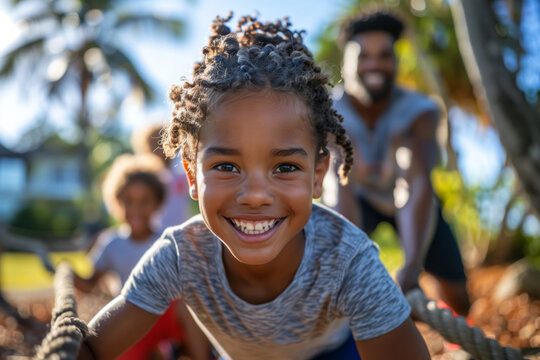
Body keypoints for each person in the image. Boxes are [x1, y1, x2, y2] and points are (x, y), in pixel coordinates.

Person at [77, 14, 430, 360]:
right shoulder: (183, 256)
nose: (256, 195)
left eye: (286, 167)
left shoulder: (347, 261)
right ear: (191, 174)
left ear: (318, 175)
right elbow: (93, 347)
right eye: (226, 166)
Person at [331, 9, 470, 316]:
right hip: (356, 198)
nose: (374, 65)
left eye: (384, 55)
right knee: (332, 262)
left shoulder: (420, 110)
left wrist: (411, 266)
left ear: (395, 61)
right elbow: (339, 183)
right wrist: (350, 263)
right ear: (347, 63)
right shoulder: (328, 111)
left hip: (410, 201)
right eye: (363, 56)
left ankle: (458, 338)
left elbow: (416, 179)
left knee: (459, 295)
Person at [74, 153, 212, 360]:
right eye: (128, 201)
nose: (136, 208)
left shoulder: (169, 239)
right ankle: (163, 352)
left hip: (169, 315)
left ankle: (191, 352)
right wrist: (67, 274)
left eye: (144, 201)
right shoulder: (111, 243)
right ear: (116, 203)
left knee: (188, 307)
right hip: (132, 316)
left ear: (157, 203)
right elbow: (89, 283)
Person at [131, 123, 193, 229]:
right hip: (155, 234)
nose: (159, 149)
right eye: (154, 145)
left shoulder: (183, 174)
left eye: (162, 143)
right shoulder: (147, 181)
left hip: (182, 230)